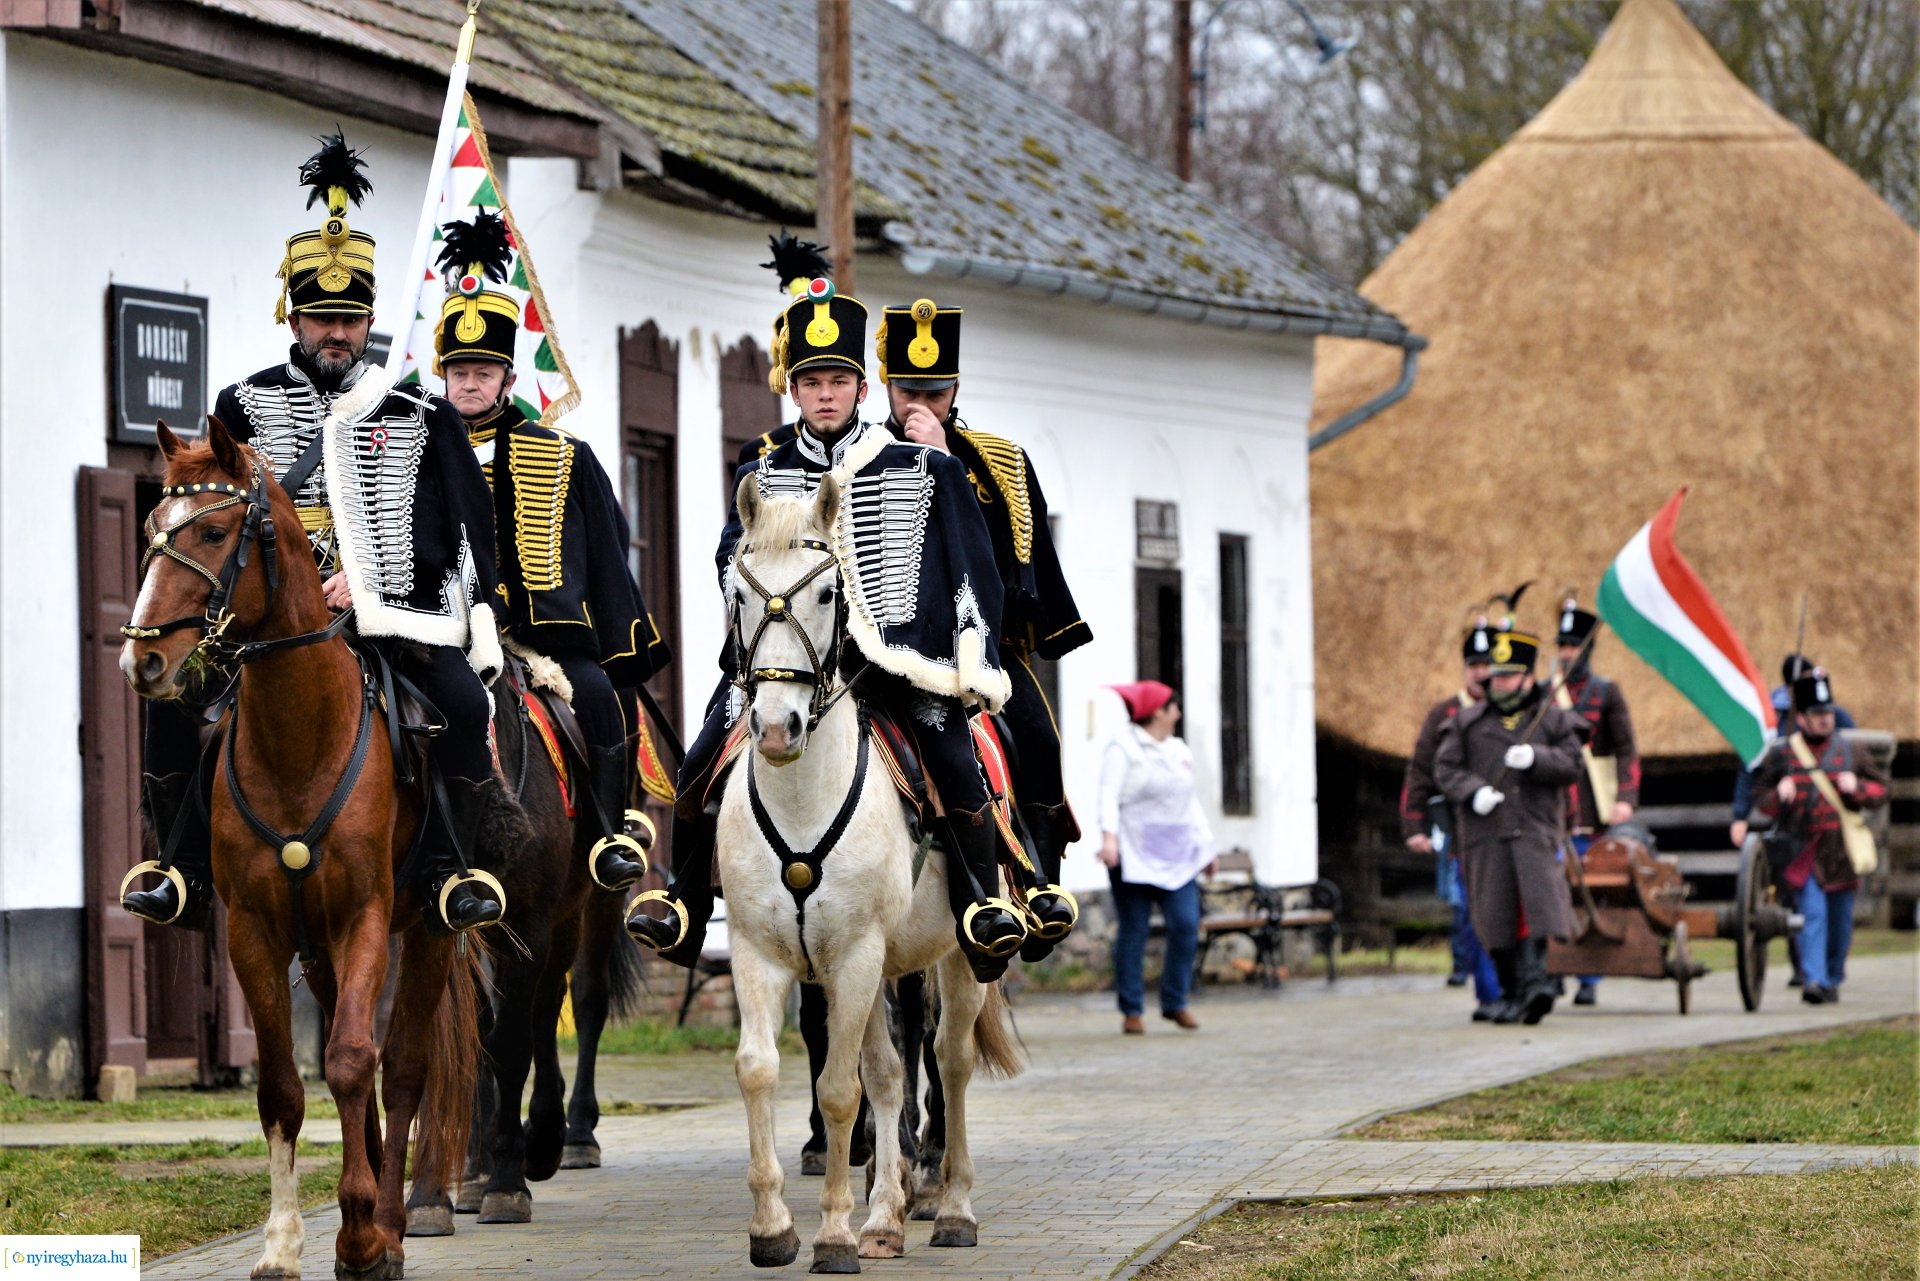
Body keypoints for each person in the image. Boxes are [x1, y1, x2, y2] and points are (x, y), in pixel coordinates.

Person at [123, 132, 504, 935]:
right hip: (264, 617)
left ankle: (452, 871)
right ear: (292, 317)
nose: (336, 331)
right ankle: (182, 866)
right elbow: (211, 511)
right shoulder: (242, 404)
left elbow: (455, 534)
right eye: (322, 317)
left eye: (350, 318)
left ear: (371, 321)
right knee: (172, 702)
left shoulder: (419, 413)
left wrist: (371, 586)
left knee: (465, 706)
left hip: (388, 615)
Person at [627, 268, 1027, 982]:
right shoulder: (762, 465)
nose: (825, 394)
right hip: (782, 662)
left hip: (894, 664)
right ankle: (684, 902)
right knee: (696, 768)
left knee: (957, 766)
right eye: (811, 382)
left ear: (862, 389)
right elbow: (729, 556)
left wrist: (965, 658)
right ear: (794, 389)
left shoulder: (916, 463)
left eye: (838, 381)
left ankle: (979, 905)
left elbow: (966, 567)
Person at [435, 212, 671, 894]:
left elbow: (606, 551)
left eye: (483, 372)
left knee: (599, 697)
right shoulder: (420, 451)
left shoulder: (564, 454)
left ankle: (607, 834)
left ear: (508, 379)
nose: (470, 384)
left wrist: (614, 642)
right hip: (442, 632)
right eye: (459, 371)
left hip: (543, 637)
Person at [873, 296, 1092, 959]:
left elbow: (1007, 564)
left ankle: (1038, 885)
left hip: (978, 649)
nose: (920, 404)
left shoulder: (998, 463)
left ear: (956, 390)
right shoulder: (862, 456)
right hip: (884, 649)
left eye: (935, 393)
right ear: (886, 385)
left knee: (1040, 740)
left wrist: (944, 463)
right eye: (908, 391)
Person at [1433, 628, 1585, 1025]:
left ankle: (1538, 986)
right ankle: (1512, 993)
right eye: (1496, 677)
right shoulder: (1466, 723)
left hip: (1535, 832)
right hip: (1486, 836)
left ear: (1528, 678)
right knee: (1494, 917)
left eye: (1508, 676)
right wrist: (1473, 792)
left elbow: (1573, 764)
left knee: (1537, 911)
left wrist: (1537, 758)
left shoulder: (1551, 719)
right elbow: (1445, 768)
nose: (1499, 683)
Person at [1752, 668, 1887, 1004]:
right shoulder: (1783, 754)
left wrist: (1857, 788)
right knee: (1812, 914)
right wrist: (1779, 793)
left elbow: (1881, 790)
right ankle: (1814, 979)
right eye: (1817, 713)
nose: (1825, 719)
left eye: (1827, 712)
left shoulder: (1850, 750)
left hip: (1841, 851)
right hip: (1803, 850)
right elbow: (1762, 799)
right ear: (1801, 718)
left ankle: (1832, 976)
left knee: (1839, 923)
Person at [1097, 681, 1213, 1034]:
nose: (1178, 712)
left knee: (1186, 924)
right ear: (1158, 711)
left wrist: (1206, 847)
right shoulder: (1124, 747)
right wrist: (1109, 839)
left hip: (1178, 855)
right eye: (1173, 706)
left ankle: (1175, 1001)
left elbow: (1190, 801)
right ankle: (1132, 1010)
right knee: (1134, 930)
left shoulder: (1179, 750)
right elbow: (1108, 794)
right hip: (1133, 853)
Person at [1402, 611, 1501, 1019]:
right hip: (1458, 828)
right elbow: (1420, 771)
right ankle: (1483, 987)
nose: (1480, 673)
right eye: (1473, 665)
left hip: (1504, 827)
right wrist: (1413, 824)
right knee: (1465, 909)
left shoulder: (1511, 712)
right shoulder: (1444, 714)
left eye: (1486, 664)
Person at [1551, 594, 1640, 1006]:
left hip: (1591, 812)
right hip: (1552, 814)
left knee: (1591, 892)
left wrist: (1625, 798)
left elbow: (1626, 749)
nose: (1567, 653)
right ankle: (1554, 966)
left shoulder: (1607, 693)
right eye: (1563, 645)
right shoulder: (1545, 693)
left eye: (1574, 645)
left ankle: (1588, 977)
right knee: (1553, 891)